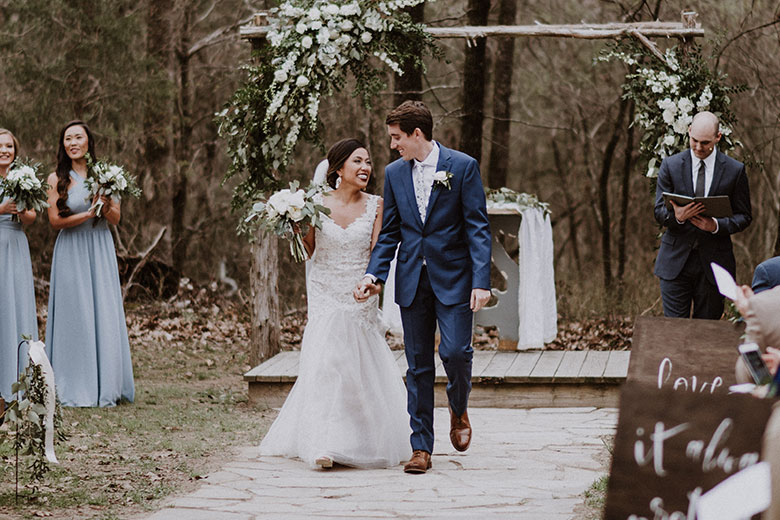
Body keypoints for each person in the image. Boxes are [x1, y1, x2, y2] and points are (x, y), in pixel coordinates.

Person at [354, 100, 492, 474]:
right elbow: (391, 233)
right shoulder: (395, 173)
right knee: (417, 367)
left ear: (417, 134)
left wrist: (482, 282)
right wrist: (374, 275)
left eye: (397, 137)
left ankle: (459, 408)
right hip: (413, 280)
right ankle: (421, 448)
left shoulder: (462, 167)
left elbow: (477, 227)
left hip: (455, 279)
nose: (393, 144)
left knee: (456, 353)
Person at [259, 139, 409, 469]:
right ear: (338, 168)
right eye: (357, 161)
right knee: (327, 365)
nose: (366, 167)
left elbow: (378, 253)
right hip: (325, 290)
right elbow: (309, 251)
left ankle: (365, 440)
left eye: (368, 162)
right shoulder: (314, 203)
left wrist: (372, 284)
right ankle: (323, 443)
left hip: (359, 291)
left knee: (356, 368)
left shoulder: (377, 205)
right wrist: (296, 229)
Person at [44, 120, 134, 407]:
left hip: (100, 247)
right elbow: (55, 222)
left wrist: (104, 204)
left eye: (78, 137)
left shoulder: (106, 175)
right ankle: (74, 386)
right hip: (71, 248)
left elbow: (116, 218)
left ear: (88, 142)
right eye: (68, 138)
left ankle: (106, 384)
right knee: (75, 314)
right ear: (63, 145)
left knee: (103, 311)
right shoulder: (56, 178)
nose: (73, 143)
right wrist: (86, 214)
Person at [653, 111, 752, 319]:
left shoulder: (735, 170)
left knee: (706, 335)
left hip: (715, 265)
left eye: (705, 143)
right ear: (688, 132)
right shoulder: (670, 166)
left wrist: (715, 225)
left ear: (718, 138)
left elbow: (744, 216)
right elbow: (659, 212)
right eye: (694, 140)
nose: (698, 147)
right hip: (675, 263)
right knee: (674, 331)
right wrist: (678, 216)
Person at [0, 129, 38, 405]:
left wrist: (22, 211)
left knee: (16, 306)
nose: (4, 150)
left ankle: (18, 381)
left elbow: (32, 217)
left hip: (16, 245)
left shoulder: (23, 177)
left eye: (9, 145)